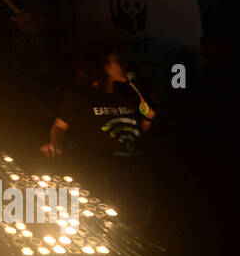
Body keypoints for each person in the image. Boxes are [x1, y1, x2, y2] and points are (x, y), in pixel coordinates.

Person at [41, 45, 158, 225]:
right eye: (117, 61)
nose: (123, 65)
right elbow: (59, 126)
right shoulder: (80, 94)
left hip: (138, 166)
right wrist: (55, 142)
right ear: (103, 66)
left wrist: (148, 118)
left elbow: (140, 131)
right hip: (106, 170)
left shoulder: (127, 93)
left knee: (140, 222)